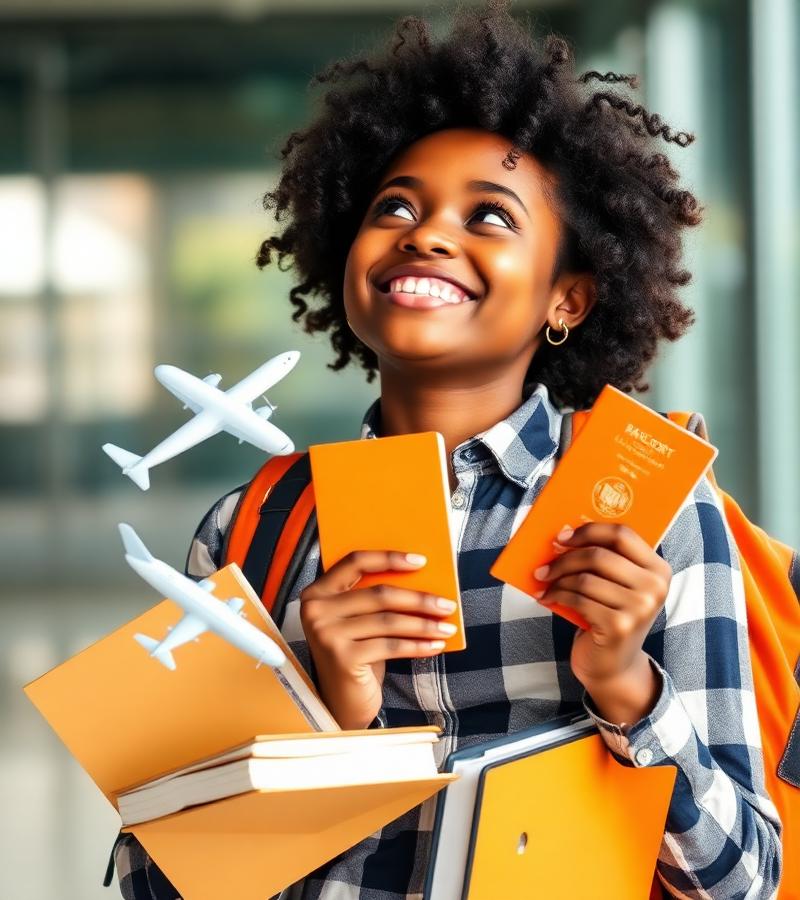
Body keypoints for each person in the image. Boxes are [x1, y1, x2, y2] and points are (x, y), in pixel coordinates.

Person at [116, 2, 782, 897]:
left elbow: (745, 882)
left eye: (490, 217)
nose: (426, 233)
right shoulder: (249, 531)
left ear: (568, 299)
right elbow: (158, 880)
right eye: (395, 205)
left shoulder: (654, 515)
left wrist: (628, 686)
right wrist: (326, 717)